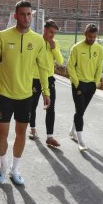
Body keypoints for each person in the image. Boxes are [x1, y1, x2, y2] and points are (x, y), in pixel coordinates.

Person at [0, 0, 50, 185]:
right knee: (1, 135)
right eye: (22, 14)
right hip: (5, 94)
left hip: (25, 96)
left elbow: (43, 67)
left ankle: (15, 170)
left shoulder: (37, 40)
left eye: (29, 14)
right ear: (15, 16)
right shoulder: (2, 36)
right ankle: (3, 166)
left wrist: (46, 91)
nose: (26, 18)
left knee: (21, 133)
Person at [67, 23, 103, 151]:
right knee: (80, 110)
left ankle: (72, 131)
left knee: (81, 111)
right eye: (90, 37)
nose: (92, 39)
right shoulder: (76, 48)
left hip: (91, 85)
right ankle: (81, 141)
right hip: (79, 84)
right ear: (85, 34)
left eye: (94, 37)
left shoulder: (98, 49)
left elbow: (99, 67)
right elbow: (70, 67)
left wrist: (96, 82)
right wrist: (77, 84)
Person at [29, 19, 64, 147]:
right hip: (34, 79)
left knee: (51, 108)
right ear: (44, 30)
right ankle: (32, 129)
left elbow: (60, 61)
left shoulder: (55, 43)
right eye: (50, 32)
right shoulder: (36, 41)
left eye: (54, 33)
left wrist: (54, 47)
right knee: (32, 106)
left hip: (49, 79)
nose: (52, 35)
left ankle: (50, 137)